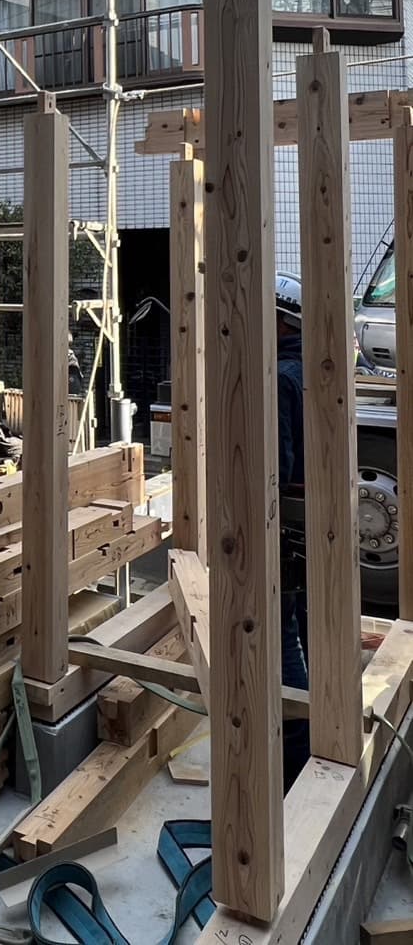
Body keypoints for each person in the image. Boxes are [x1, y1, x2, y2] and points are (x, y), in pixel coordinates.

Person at [275, 272, 311, 792]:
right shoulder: (318, 366)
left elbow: (275, 471)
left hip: (285, 527)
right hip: (317, 527)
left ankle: (296, 760)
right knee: (309, 624)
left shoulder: (281, 377)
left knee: (281, 635)